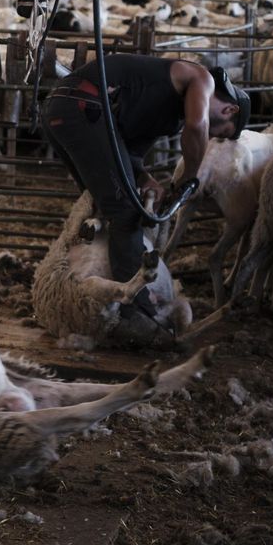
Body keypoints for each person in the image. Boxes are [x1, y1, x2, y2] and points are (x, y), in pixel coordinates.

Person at [39, 54, 249, 342]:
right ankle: (138, 312)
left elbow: (130, 153)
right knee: (124, 213)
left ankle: (91, 293)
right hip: (84, 106)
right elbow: (197, 127)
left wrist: (145, 178)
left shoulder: (168, 115)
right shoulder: (202, 79)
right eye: (222, 134)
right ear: (229, 110)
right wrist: (190, 176)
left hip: (66, 109)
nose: (213, 136)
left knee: (108, 203)